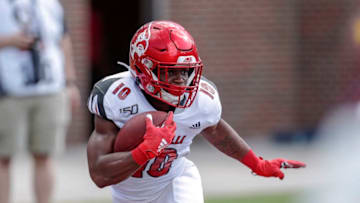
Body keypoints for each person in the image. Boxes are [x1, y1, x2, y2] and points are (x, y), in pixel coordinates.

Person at [87, 20, 306, 203]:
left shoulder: (201, 99)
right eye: (170, 72)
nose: (182, 80)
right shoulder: (115, 96)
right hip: (129, 195)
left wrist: (257, 164)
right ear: (145, 69)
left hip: (175, 179)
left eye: (186, 71)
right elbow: (99, 174)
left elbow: (216, 130)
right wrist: (144, 151)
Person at [0, 0, 80, 203]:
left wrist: (70, 82)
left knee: (44, 154)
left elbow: (64, 40)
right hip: (8, 91)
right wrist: (8, 41)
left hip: (50, 89)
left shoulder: (50, 3)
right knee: (3, 158)